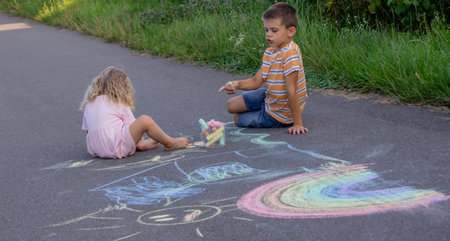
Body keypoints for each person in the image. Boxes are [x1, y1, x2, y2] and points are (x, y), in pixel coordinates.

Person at [218, 2, 308, 135]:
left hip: (280, 112)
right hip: (270, 96)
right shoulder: (270, 52)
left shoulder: (290, 53)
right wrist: (236, 84)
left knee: (237, 119)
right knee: (231, 105)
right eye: (266, 30)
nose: (269, 34)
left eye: (274, 30)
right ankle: (262, 108)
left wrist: (298, 123)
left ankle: (266, 114)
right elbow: (256, 81)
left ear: (291, 31)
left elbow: (291, 89)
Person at [80, 66, 189, 159]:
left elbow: (88, 130)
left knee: (122, 130)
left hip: (97, 149)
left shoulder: (89, 103)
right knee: (145, 121)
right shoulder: (117, 100)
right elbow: (132, 125)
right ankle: (170, 143)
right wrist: (139, 141)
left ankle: (147, 143)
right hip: (115, 147)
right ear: (123, 87)